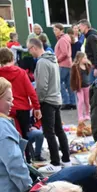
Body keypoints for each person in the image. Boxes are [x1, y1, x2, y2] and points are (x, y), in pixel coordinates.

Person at [28, 38, 70, 170]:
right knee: (59, 130)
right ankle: (66, 159)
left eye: (29, 49)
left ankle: (55, 162)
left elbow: (42, 86)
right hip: (56, 99)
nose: (30, 53)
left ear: (34, 47)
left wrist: (37, 104)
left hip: (47, 101)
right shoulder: (52, 59)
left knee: (49, 132)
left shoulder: (42, 62)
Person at [0, 48, 40, 163]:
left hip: (5, 108)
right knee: (24, 136)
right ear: (12, 58)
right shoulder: (21, 72)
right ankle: (27, 160)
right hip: (23, 108)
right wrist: (37, 107)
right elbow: (31, 92)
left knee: (8, 135)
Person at [0, 77, 31, 192]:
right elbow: (15, 165)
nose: (12, 104)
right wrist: (30, 191)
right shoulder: (2, 127)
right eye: (8, 100)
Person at [53, 24, 75, 110]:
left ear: (61, 30)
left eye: (56, 30)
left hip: (62, 64)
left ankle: (66, 101)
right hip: (68, 64)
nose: (54, 32)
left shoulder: (62, 40)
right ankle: (73, 102)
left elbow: (64, 53)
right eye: (54, 30)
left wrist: (57, 60)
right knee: (68, 84)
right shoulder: (66, 38)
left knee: (58, 82)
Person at [70, 52, 94, 123]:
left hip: (87, 86)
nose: (86, 59)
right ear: (80, 59)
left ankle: (87, 114)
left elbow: (89, 68)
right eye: (84, 58)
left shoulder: (87, 66)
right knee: (81, 101)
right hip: (79, 87)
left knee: (87, 101)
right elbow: (72, 78)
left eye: (86, 58)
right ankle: (80, 116)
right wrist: (74, 86)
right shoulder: (75, 67)